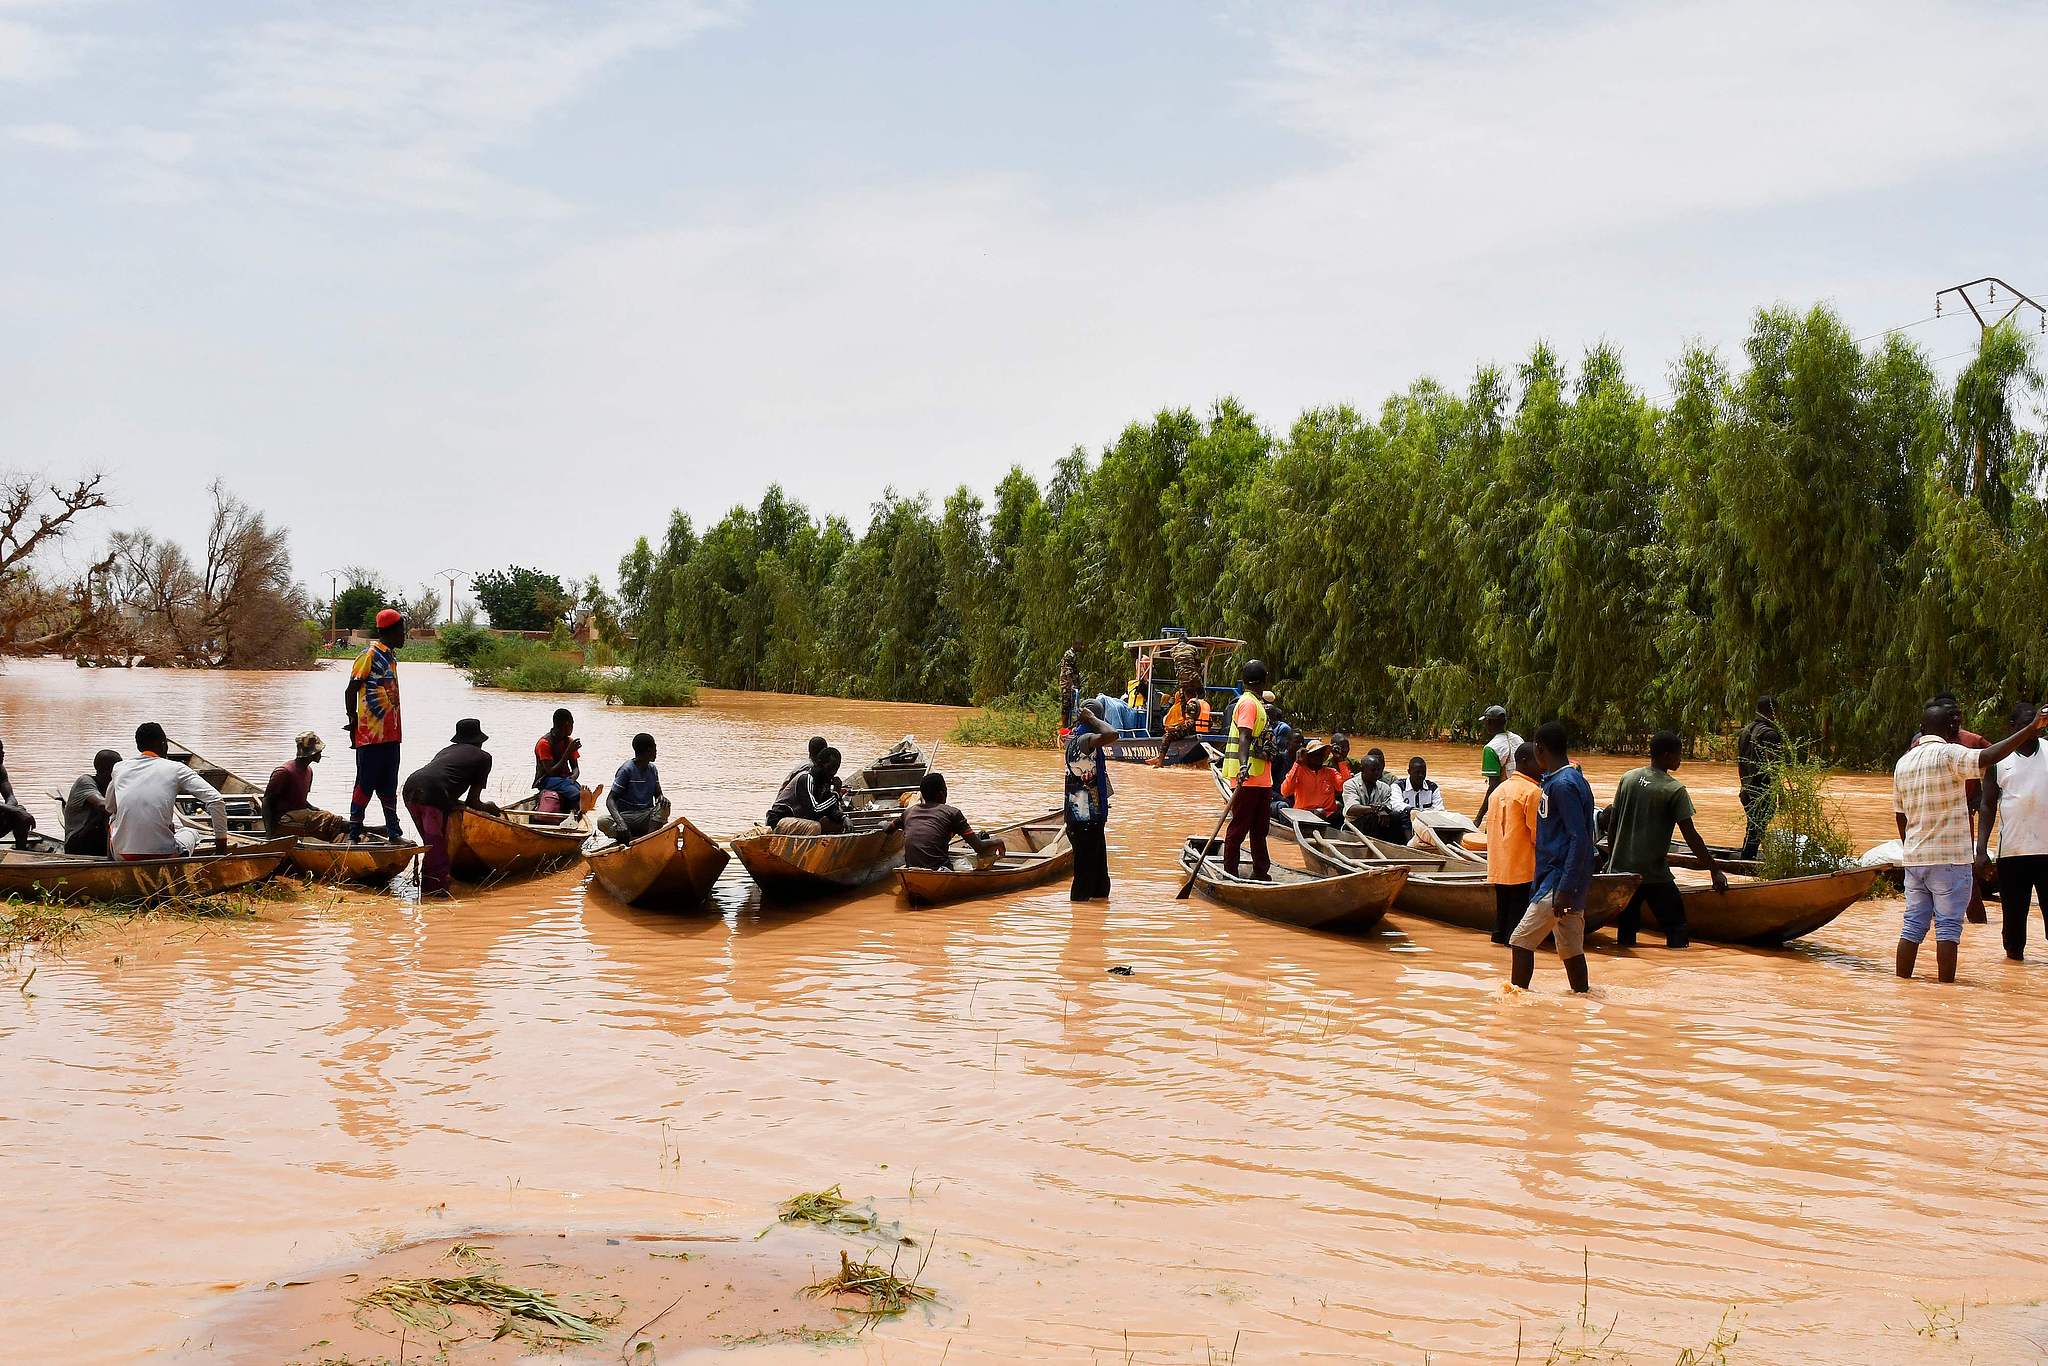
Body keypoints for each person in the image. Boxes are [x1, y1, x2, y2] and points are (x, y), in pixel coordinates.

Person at [1893, 699, 2047, 982]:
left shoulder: (1903, 763)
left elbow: (1900, 815)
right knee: (1949, 929)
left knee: (1912, 927)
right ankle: (1946, 995)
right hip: (1950, 860)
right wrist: (2031, 729)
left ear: (1921, 728)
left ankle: (1902, 986)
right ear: (1952, 727)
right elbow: (1987, 758)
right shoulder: (1951, 754)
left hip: (1914, 860)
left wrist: (1909, 848)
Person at [1604, 731, 1728, 950]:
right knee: (1677, 927)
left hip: (1623, 872)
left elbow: (1613, 822)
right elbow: (1691, 836)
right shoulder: (1674, 790)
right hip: (1653, 874)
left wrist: (1612, 861)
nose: (1680, 760)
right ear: (1666, 755)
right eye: (1678, 756)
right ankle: (1678, 962)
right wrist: (1714, 870)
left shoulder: (1628, 778)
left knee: (1626, 930)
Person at [1508, 722, 1594, 994]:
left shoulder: (1564, 785)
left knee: (1520, 940)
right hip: (1561, 879)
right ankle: (1583, 999)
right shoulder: (1561, 780)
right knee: (1570, 947)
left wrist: (1565, 888)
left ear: (1540, 749)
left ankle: (1515, 1002)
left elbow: (1579, 838)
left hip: (1559, 881)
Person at [1978, 702, 2048, 962]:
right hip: (2012, 853)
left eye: (2037, 724)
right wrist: (1981, 849)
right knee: (2014, 921)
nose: (2033, 730)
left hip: (2047, 852)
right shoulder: (1999, 761)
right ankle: (2013, 969)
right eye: (2025, 725)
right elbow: (1986, 805)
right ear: (2012, 727)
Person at [401, 718, 501, 897]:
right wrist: (491, 808)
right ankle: (435, 896)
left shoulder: (445, 751)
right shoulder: (484, 758)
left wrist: (453, 802)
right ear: (480, 741)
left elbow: (444, 779)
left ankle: (428, 892)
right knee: (438, 849)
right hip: (432, 795)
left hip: (410, 788)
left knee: (432, 846)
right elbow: (473, 802)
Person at [108, 722, 228, 860]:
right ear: (164, 744)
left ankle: (110, 863)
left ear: (138, 747)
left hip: (123, 855)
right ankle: (180, 858)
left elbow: (110, 807)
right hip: (164, 854)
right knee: (192, 832)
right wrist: (221, 849)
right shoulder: (177, 769)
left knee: (112, 819)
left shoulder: (119, 768)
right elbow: (216, 800)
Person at [343, 608, 406, 843]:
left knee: (389, 785)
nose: (404, 636)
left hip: (391, 734)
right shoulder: (369, 655)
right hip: (370, 735)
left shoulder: (390, 657)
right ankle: (354, 833)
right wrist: (353, 719)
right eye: (402, 630)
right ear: (393, 631)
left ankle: (394, 832)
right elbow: (350, 690)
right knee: (365, 783)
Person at [1934, 693, 1991, 925]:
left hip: (1960, 819)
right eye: (1950, 715)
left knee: (1966, 876)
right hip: (1931, 819)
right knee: (1931, 878)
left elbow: (1997, 764)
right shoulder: (1921, 743)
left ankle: (1978, 925)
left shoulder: (1972, 740)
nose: (1955, 719)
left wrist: (1980, 796)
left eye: (1958, 714)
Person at [1220, 660, 1274, 879]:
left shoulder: (1257, 703)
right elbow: (1244, 736)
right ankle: (1230, 873)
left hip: (1262, 778)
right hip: (1248, 776)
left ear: (1243, 681)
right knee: (1239, 829)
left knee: (1260, 830)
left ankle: (1261, 872)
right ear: (1265, 680)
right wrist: (1243, 765)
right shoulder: (1248, 704)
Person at [1485, 742, 1543, 946]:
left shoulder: (1499, 790)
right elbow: (1538, 834)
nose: (1543, 764)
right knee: (1517, 928)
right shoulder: (1532, 792)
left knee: (1502, 921)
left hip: (1499, 866)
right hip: (1522, 867)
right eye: (1539, 759)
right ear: (1525, 761)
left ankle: (1498, 956)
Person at [895, 771, 1005, 871]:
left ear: (923, 795)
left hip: (910, 870)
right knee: (987, 853)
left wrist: (883, 824)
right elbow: (979, 847)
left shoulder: (908, 812)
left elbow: (889, 828)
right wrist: (997, 842)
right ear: (942, 794)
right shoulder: (953, 813)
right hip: (939, 871)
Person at [1065, 704, 1117, 899]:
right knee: (1084, 881)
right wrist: (1093, 719)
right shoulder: (1083, 740)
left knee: (1100, 884)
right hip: (1082, 820)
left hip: (1092, 819)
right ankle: (1078, 925)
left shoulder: (1087, 742)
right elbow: (1113, 734)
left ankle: (1095, 923)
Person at [262, 732, 351, 840]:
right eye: (319, 751)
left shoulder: (309, 771)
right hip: (283, 819)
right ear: (311, 753)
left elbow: (301, 801)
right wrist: (269, 833)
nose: (321, 754)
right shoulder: (284, 772)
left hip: (298, 814)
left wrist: (315, 809)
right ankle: (364, 828)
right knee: (328, 819)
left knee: (328, 818)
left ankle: (356, 829)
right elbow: (266, 802)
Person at [1735, 696, 1783, 860]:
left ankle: (1750, 859)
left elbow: (1740, 763)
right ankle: (1747, 861)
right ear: (1773, 711)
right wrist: (1780, 792)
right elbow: (1773, 766)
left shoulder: (1745, 731)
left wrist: (1744, 786)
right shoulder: (1770, 734)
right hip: (1762, 789)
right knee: (1757, 827)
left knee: (1754, 826)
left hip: (1747, 789)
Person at [601, 732, 670, 842]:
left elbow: (658, 795)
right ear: (649, 750)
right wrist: (620, 822)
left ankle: (647, 840)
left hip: (645, 815)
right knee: (602, 821)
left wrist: (662, 798)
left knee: (665, 806)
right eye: (655, 748)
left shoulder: (653, 769)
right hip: (627, 817)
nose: (656, 752)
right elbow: (610, 799)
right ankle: (630, 838)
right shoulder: (626, 770)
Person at [767, 747, 846, 835]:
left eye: (836, 769)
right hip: (778, 821)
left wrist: (843, 817)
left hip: (798, 820)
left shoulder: (824, 781)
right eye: (830, 768)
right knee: (814, 827)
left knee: (838, 825)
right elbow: (814, 811)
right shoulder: (806, 778)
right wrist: (835, 794)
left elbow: (829, 808)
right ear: (819, 763)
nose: (833, 772)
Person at [1342, 752, 1412, 843]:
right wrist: (1376, 810)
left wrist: (1383, 809)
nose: (1377, 773)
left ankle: (1398, 846)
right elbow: (1352, 809)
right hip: (1354, 826)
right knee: (1372, 817)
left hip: (1377, 826)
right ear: (1362, 769)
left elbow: (1388, 807)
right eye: (1373, 770)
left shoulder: (1385, 787)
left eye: (1379, 770)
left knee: (1396, 816)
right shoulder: (1350, 784)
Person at [62, 749, 120, 855]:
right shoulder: (85, 782)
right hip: (77, 843)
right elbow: (103, 805)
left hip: (96, 843)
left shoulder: (112, 786)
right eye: (118, 768)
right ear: (109, 770)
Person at [1473, 705, 1523, 825]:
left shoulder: (1491, 748)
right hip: (1523, 796)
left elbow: (1493, 786)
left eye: (1485, 722)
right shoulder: (1519, 739)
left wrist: (1479, 817)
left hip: (1505, 799)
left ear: (1489, 722)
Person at [1280, 740, 1343, 825]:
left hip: (1327, 814)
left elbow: (1344, 787)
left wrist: (1341, 761)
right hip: (1304, 814)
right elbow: (1285, 792)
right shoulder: (1300, 771)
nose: (1319, 757)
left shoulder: (1331, 772)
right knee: (1320, 812)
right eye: (1315, 754)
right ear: (1308, 756)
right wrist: (1297, 764)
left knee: (1340, 807)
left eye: (1321, 753)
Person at [533, 708, 583, 813]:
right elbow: (550, 772)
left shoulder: (568, 741)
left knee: (580, 791)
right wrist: (568, 752)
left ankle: (576, 810)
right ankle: (579, 805)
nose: (572, 728)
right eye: (572, 725)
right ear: (567, 724)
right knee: (576, 794)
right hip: (546, 779)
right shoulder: (544, 743)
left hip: (565, 780)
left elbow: (575, 767)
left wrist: (573, 777)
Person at [0, 741, 34, 849]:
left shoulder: (0, 770)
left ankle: (21, 852)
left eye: (2, 749)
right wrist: (15, 810)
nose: (3, 753)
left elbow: (10, 797)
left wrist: (14, 810)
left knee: (21, 815)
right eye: (0, 750)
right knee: (18, 811)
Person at [1058, 645, 1080, 729]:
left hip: (1071, 685)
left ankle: (1069, 726)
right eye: (1080, 645)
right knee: (1066, 706)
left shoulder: (1073, 654)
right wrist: (1072, 685)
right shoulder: (1069, 655)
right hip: (1067, 685)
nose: (1082, 647)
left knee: (1072, 706)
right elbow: (1068, 672)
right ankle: (1064, 727)